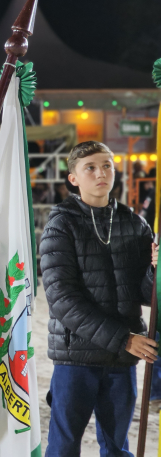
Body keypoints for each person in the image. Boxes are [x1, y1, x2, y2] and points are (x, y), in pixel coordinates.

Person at [40, 141, 159, 457]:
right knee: (64, 448)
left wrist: (155, 271)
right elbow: (62, 299)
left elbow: (146, 293)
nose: (101, 173)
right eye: (90, 167)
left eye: (107, 165)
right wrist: (124, 339)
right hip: (76, 356)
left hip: (121, 360)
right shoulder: (61, 224)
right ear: (73, 178)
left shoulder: (134, 223)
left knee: (117, 448)